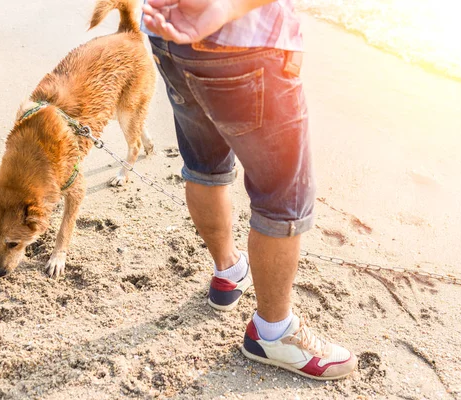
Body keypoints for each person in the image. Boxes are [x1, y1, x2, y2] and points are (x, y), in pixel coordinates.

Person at [142, 0, 357, 380]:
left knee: (203, 165)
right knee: (283, 201)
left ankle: (228, 271)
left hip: (170, 35)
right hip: (245, 43)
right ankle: (273, 332)